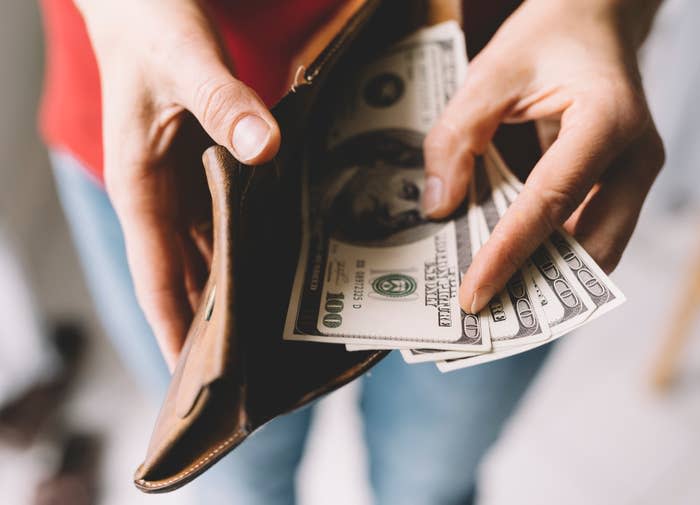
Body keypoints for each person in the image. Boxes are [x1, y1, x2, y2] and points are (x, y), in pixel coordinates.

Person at [40, 0, 665, 503]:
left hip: (498, 108)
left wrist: (605, 8)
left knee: (429, 481)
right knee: (235, 479)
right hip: (162, 121)